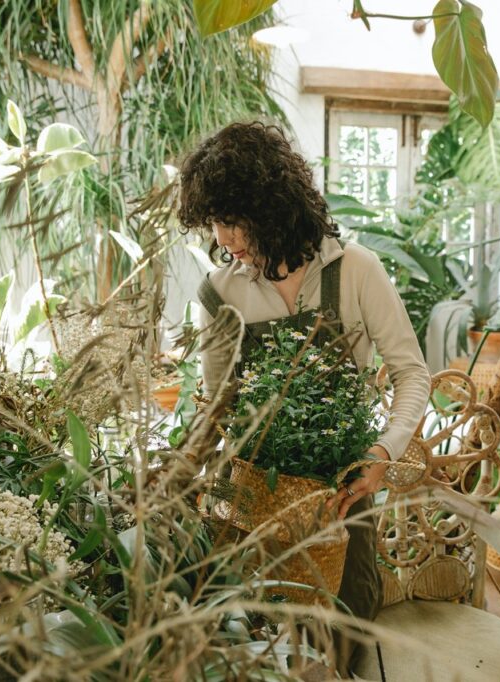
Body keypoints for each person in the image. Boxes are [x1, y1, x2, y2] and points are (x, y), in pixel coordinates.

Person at [178, 121, 431, 672]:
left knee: (343, 640)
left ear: (272, 205)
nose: (223, 239)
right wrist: (184, 468)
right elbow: (217, 404)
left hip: (343, 495)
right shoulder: (221, 293)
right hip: (258, 507)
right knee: (265, 650)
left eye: (230, 220)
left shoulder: (355, 271)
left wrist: (381, 454)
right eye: (214, 224)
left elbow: (413, 374)